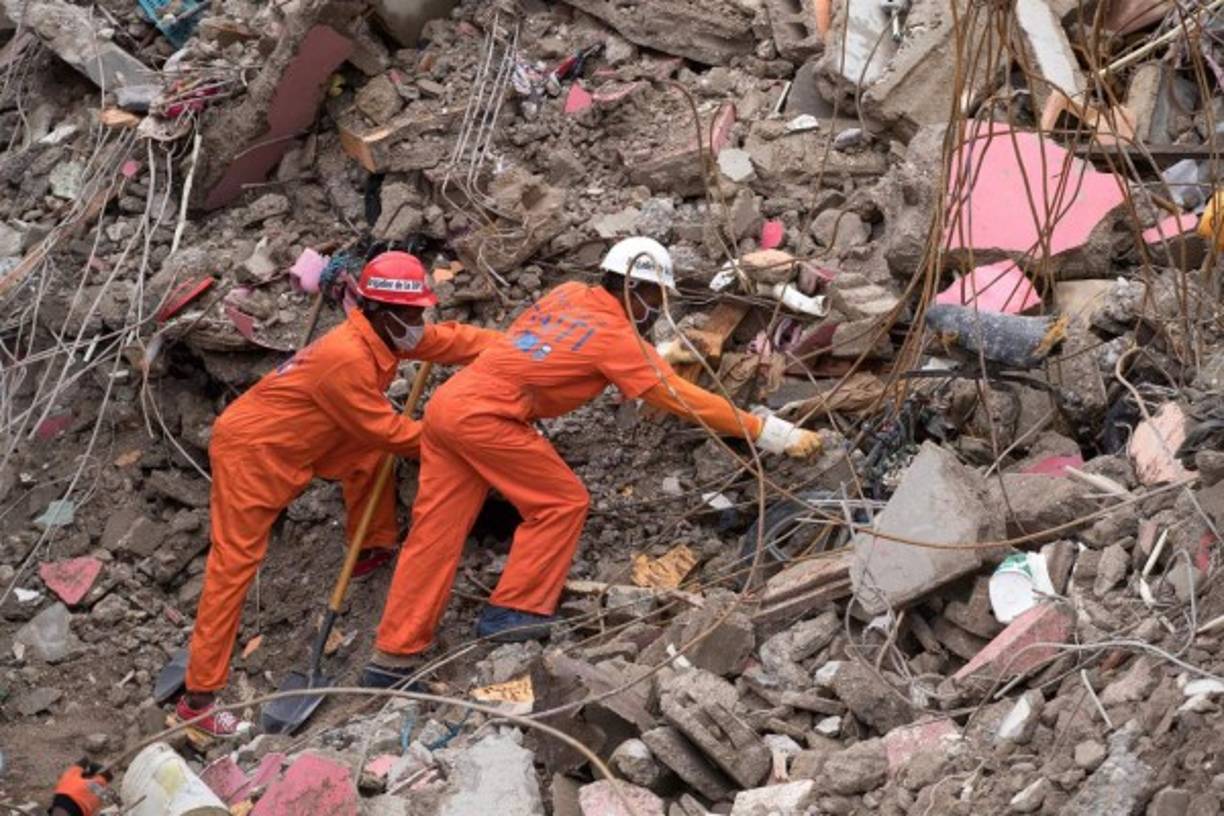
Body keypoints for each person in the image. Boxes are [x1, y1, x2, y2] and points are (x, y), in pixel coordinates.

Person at [364, 237, 824, 685]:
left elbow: (546, 342)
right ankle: (513, 611)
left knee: (433, 535)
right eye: (655, 297)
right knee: (560, 502)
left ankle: (392, 657)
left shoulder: (568, 293)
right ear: (634, 287)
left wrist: (654, 355)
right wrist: (767, 432)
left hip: (449, 406)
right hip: (487, 418)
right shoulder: (616, 339)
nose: (656, 308)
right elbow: (678, 397)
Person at [180, 251, 499, 735]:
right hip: (255, 450)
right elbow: (392, 433)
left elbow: (447, 340)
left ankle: (372, 544)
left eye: (420, 312)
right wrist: (464, 437)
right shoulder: (345, 357)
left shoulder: (382, 333)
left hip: (312, 435)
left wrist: (518, 347)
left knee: (366, 457)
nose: (419, 324)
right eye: (411, 315)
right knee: (235, 563)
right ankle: (199, 699)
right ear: (380, 311)